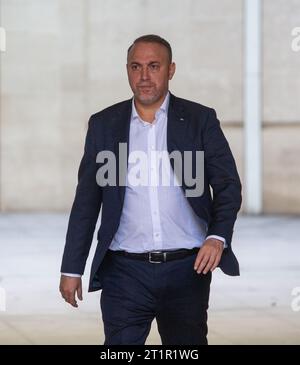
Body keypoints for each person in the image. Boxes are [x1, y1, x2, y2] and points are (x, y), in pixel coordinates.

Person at [59, 34, 242, 345]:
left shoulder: (199, 120)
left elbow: (227, 186)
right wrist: (71, 268)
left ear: (170, 70)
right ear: (127, 70)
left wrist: (217, 236)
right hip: (124, 273)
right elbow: (87, 202)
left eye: (154, 66)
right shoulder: (106, 125)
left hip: (188, 270)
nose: (144, 76)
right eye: (136, 66)